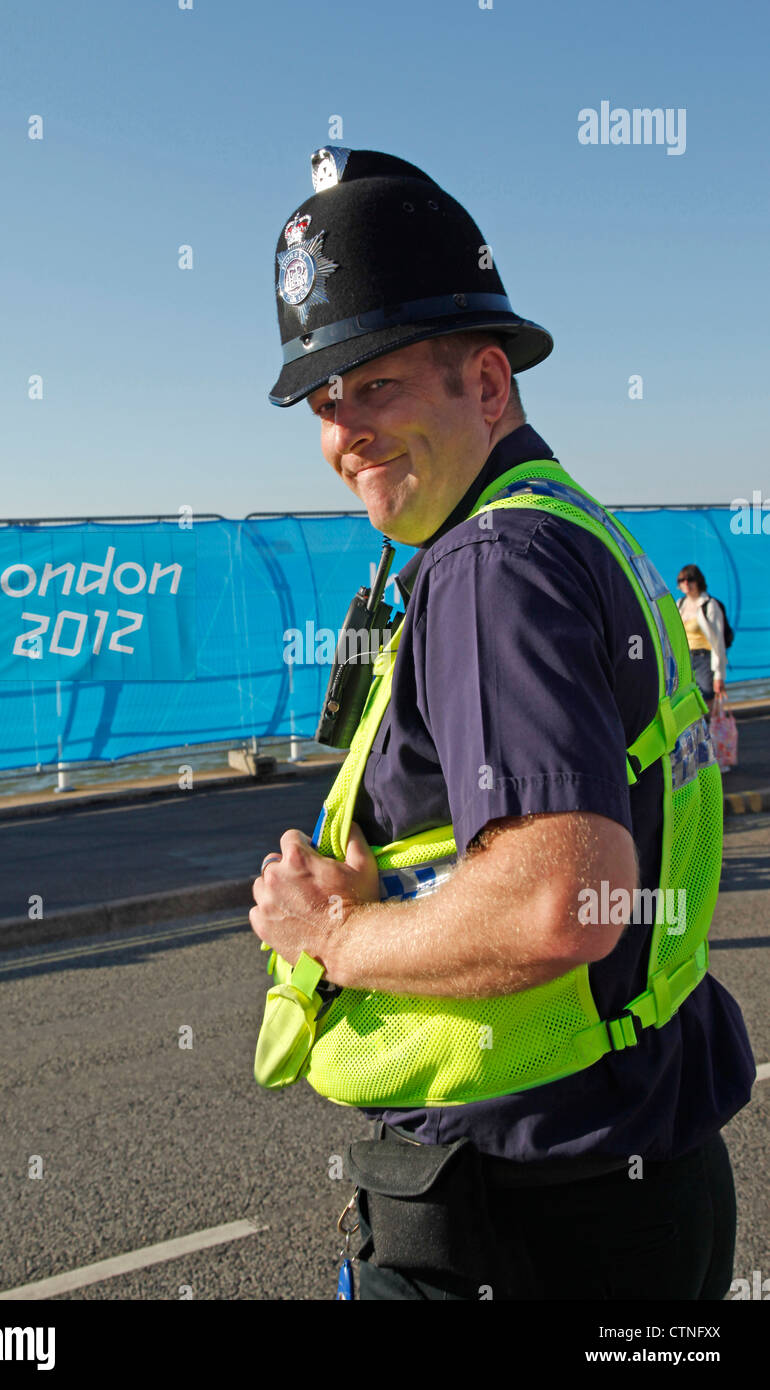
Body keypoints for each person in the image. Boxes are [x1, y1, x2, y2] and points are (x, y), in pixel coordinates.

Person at [249, 147, 755, 1301]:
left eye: (374, 384)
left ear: (486, 385)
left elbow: (559, 898)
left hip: (521, 1215)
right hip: (637, 1168)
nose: (343, 432)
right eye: (323, 400)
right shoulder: (571, 526)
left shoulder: (490, 564)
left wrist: (327, 937)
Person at [676, 563, 727, 708]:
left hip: (704, 658)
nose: (686, 583)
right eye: (682, 580)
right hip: (685, 659)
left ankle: (711, 729)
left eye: (690, 579)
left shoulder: (709, 605)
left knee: (706, 702)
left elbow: (718, 642)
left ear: (698, 581)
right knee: (687, 703)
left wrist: (719, 675)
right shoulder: (680, 604)